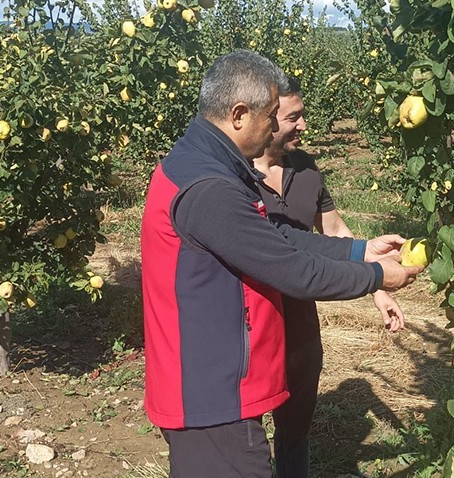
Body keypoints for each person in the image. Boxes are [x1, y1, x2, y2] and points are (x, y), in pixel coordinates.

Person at [140, 49, 423, 478]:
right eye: (271, 115)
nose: (276, 126)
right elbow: (292, 269)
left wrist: (359, 250)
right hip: (212, 397)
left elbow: (276, 237)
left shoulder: (205, 164)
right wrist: (380, 276)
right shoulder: (208, 188)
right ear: (238, 114)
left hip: (217, 383)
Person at [253, 77, 406, 478]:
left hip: (300, 323)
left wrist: (376, 289)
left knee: (295, 429)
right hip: (252, 325)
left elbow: (336, 234)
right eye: (294, 117)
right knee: (246, 430)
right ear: (266, 121)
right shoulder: (234, 178)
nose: (304, 126)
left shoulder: (305, 169)